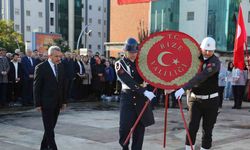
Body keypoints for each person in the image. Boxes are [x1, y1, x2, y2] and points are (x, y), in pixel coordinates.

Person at [175, 37, 221, 150]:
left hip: (211, 101)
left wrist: (183, 88)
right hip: (195, 100)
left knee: (208, 129)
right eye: (206, 50)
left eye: (211, 50)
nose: (208, 52)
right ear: (201, 47)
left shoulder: (215, 62)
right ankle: (188, 148)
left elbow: (201, 76)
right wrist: (173, 86)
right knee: (192, 127)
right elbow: (181, 69)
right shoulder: (194, 59)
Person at [115, 38, 155, 150]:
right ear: (125, 51)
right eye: (131, 52)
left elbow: (151, 76)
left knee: (139, 129)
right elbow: (128, 81)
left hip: (141, 99)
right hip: (128, 98)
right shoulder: (119, 64)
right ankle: (125, 148)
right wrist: (144, 91)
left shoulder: (141, 64)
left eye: (135, 52)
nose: (133, 54)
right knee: (124, 128)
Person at [33, 46, 66, 150]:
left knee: (50, 128)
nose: (59, 58)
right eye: (56, 56)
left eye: (60, 56)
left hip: (57, 103)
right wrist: (37, 103)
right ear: (49, 56)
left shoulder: (60, 67)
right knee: (49, 129)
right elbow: (37, 87)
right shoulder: (41, 67)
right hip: (46, 103)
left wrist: (63, 101)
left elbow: (62, 86)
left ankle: (43, 148)